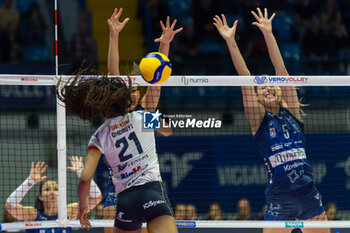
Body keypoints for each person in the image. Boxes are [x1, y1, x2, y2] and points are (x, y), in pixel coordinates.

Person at [56, 13, 182, 233]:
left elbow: (86, 177)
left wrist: (82, 205)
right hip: (153, 192)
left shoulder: (100, 134)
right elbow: (167, 124)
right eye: (130, 90)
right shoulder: (144, 118)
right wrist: (163, 45)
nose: (133, 93)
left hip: (126, 201)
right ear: (121, 96)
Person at [214, 8, 330, 233]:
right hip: (280, 195)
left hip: (307, 191)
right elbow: (245, 78)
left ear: (279, 89)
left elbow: (281, 69)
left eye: (271, 84)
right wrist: (231, 41)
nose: (267, 87)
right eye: (262, 86)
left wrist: (268, 33)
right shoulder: (258, 119)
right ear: (256, 96)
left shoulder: (293, 112)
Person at [102, 8, 175, 233]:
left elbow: (157, 78)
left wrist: (165, 44)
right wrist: (114, 36)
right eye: (128, 90)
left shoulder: (145, 114)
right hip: (119, 189)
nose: (132, 93)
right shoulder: (113, 114)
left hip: (148, 187)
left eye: (135, 89)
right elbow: (112, 72)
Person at [5, 157, 102, 233]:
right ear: (40, 196)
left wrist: (81, 173)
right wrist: (29, 181)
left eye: (56, 189)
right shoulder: (33, 215)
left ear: (61, 194)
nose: (52, 192)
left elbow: (96, 198)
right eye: (47, 189)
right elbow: (10, 206)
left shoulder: (69, 212)